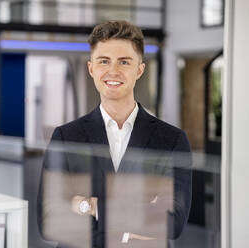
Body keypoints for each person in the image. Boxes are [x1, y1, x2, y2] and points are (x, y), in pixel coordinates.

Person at [37, 20, 192, 248]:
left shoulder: (172, 141)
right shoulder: (66, 137)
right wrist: (139, 215)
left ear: (139, 70)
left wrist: (88, 206)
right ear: (91, 69)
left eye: (124, 62)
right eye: (104, 61)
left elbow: (173, 223)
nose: (113, 71)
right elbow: (48, 221)